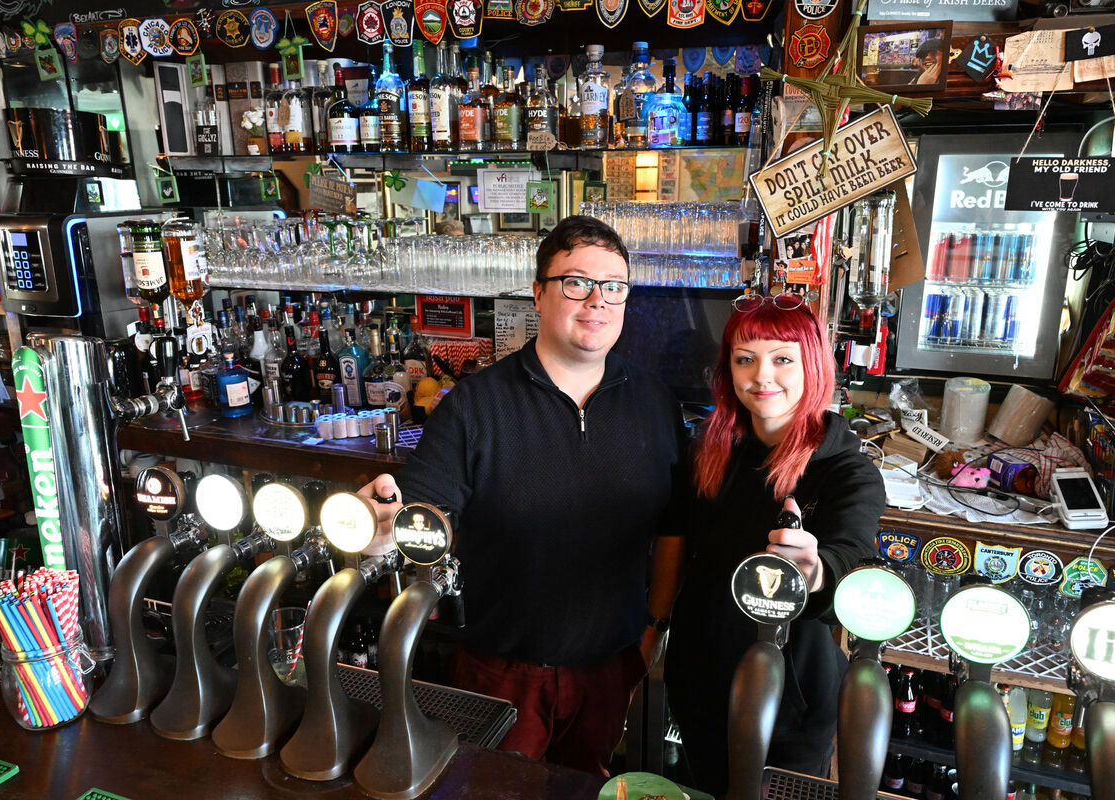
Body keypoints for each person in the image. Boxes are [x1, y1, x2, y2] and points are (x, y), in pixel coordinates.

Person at [360, 215, 684, 775]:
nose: (597, 301)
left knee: (586, 786)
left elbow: (673, 527)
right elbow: (423, 511)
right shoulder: (474, 406)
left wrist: (652, 627)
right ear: (538, 293)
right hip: (499, 669)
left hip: (609, 666)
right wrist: (383, 522)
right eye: (576, 282)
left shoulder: (655, 405)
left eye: (614, 286)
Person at [655, 294, 885, 796]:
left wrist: (815, 571)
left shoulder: (847, 472)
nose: (762, 376)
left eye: (783, 359)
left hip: (791, 698)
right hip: (700, 679)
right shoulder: (712, 451)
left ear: (813, 367)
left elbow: (852, 556)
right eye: (745, 359)